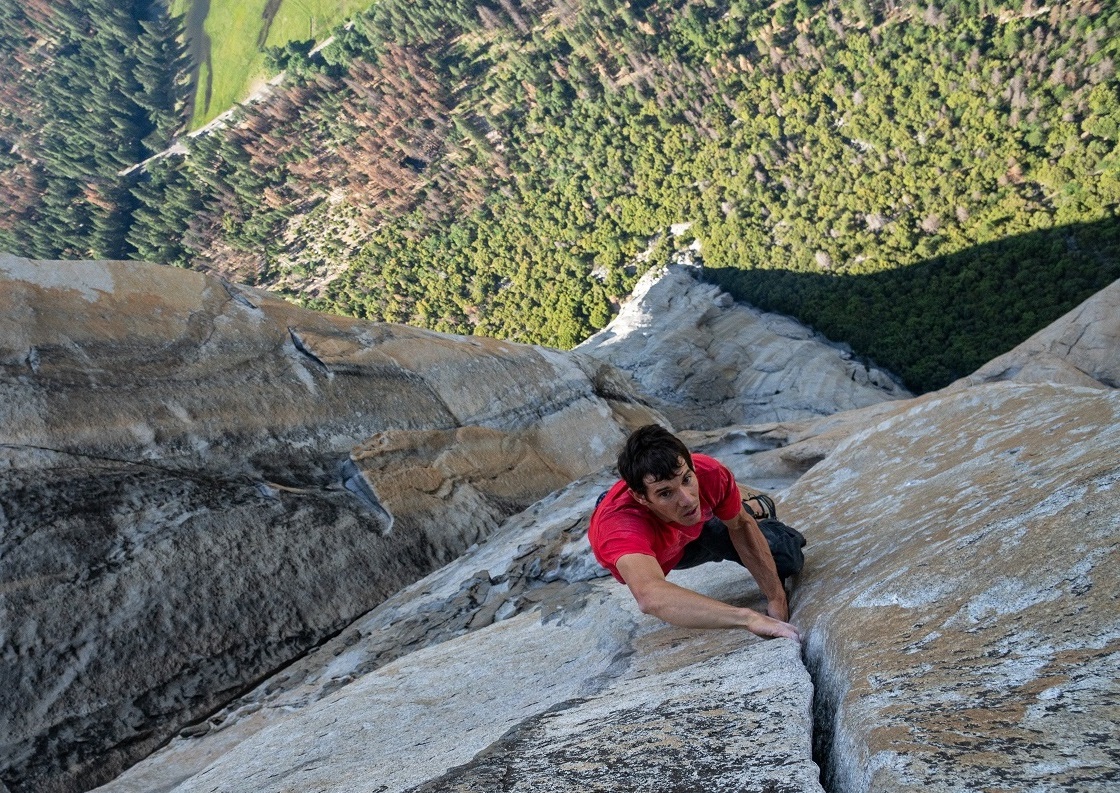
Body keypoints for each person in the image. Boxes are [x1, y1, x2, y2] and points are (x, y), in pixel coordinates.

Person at [589, 424, 805, 641]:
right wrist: (749, 618)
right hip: (668, 548)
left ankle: (755, 506)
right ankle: (748, 504)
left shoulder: (707, 472)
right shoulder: (620, 527)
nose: (687, 499)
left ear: (691, 465)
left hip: (701, 525)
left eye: (686, 479)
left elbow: (739, 525)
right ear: (641, 498)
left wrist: (776, 598)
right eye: (666, 493)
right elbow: (650, 595)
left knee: (784, 559)